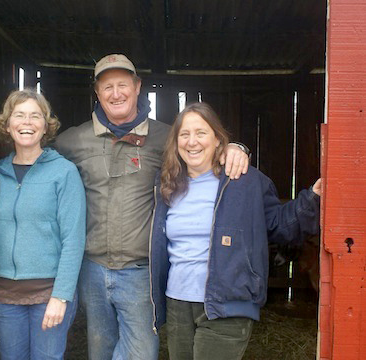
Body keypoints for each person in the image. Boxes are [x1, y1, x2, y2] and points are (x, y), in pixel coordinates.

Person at [54, 54, 250, 359]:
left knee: (141, 353)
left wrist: (237, 148)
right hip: (91, 270)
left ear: (137, 87)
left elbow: (203, 150)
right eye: (107, 87)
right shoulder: (73, 141)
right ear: (97, 93)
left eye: (123, 85)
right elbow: (36, 159)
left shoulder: (166, 138)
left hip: (140, 272)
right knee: (100, 350)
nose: (116, 93)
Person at [150, 102, 321, 360]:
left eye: (201, 133)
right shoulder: (168, 185)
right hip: (178, 304)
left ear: (218, 140)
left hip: (227, 303)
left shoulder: (244, 181)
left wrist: (312, 200)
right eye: (184, 135)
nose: (192, 141)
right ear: (176, 143)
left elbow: (278, 225)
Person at [0, 89, 86, 360]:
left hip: (48, 295)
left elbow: (73, 239)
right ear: (7, 126)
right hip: (4, 296)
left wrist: (61, 296)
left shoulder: (64, 172)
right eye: (19, 116)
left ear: (46, 126)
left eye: (35, 116)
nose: (27, 122)